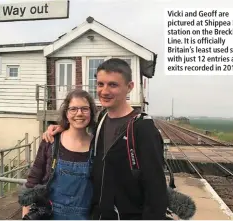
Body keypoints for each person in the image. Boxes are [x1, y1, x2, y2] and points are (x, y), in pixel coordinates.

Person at [42, 58, 168, 220]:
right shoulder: (101, 119)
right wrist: (62, 127)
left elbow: (156, 191)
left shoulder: (143, 129)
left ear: (129, 87)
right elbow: (81, 128)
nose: (104, 91)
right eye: (100, 84)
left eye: (113, 85)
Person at [18, 89, 98, 220]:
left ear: (91, 112)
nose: (79, 113)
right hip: (50, 214)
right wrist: (25, 215)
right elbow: (33, 179)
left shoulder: (97, 146)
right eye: (73, 109)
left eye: (84, 109)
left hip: (84, 216)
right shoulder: (51, 141)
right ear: (66, 113)